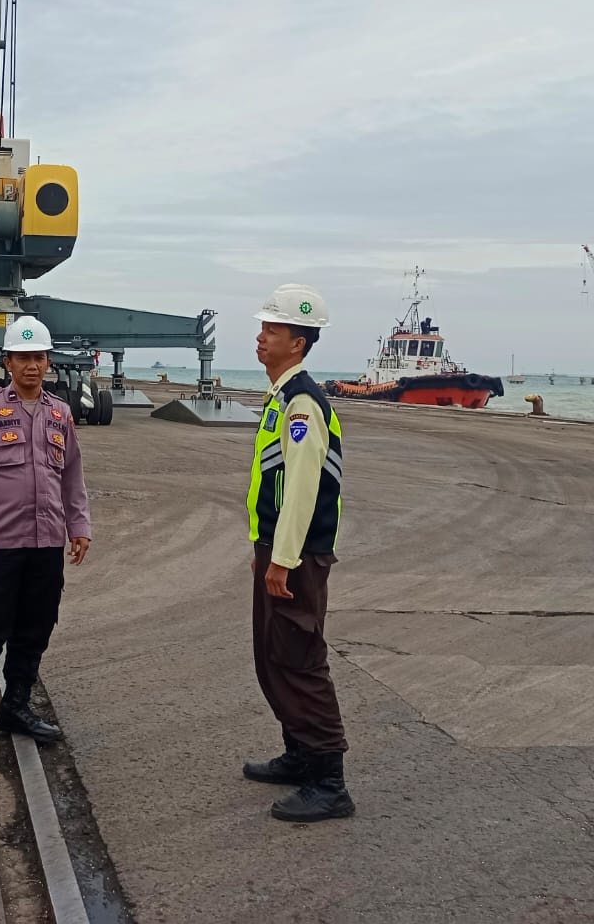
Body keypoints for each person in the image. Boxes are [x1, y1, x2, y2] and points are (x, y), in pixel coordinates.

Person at [0, 315, 91, 760]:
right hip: (0, 544)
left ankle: (16, 707)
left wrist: (79, 526)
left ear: (48, 362)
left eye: (39, 357)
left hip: (46, 544)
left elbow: (72, 475)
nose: (32, 365)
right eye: (23, 357)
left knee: (35, 629)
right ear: (7, 362)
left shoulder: (60, 412)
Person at [242, 284, 355, 822]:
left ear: (298, 343)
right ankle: (300, 753)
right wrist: (268, 551)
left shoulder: (302, 402)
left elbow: (304, 488)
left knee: (300, 661)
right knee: (274, 657)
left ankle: (330, 782)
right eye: (263, 327)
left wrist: (283, 558)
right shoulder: (283, 396)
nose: (261, 336)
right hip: (279, 550)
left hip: (299, 556)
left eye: (272, 329)